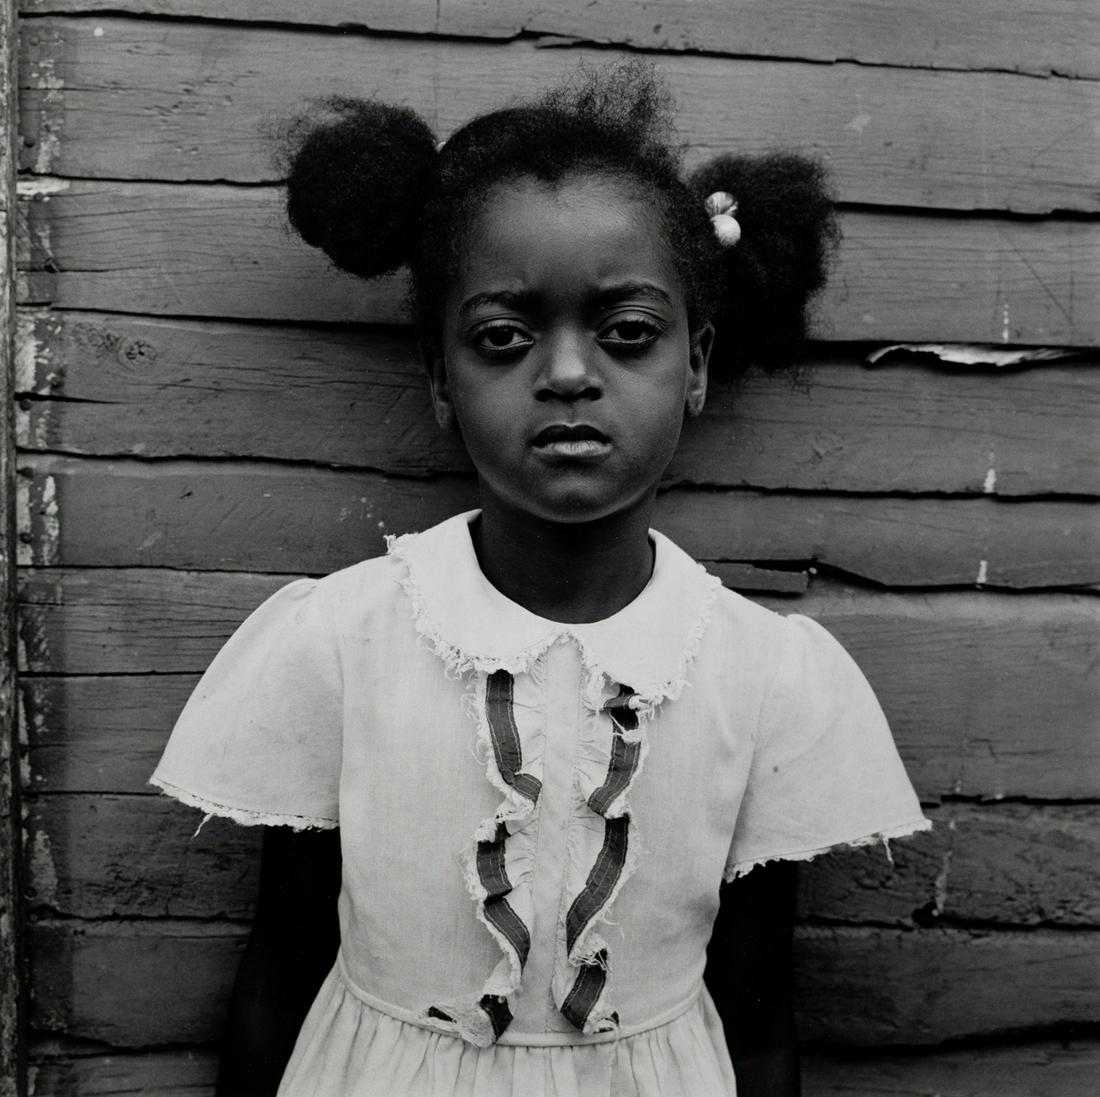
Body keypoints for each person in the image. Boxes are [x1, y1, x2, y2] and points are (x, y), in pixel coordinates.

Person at [151, 63, 930, 1097]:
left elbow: (757, 1006)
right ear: (438, 374)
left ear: (694, 363)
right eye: (503, 338)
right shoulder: (339, 640)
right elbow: (277, 968)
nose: (566, 373)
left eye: (625, 334)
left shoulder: (763, 674)